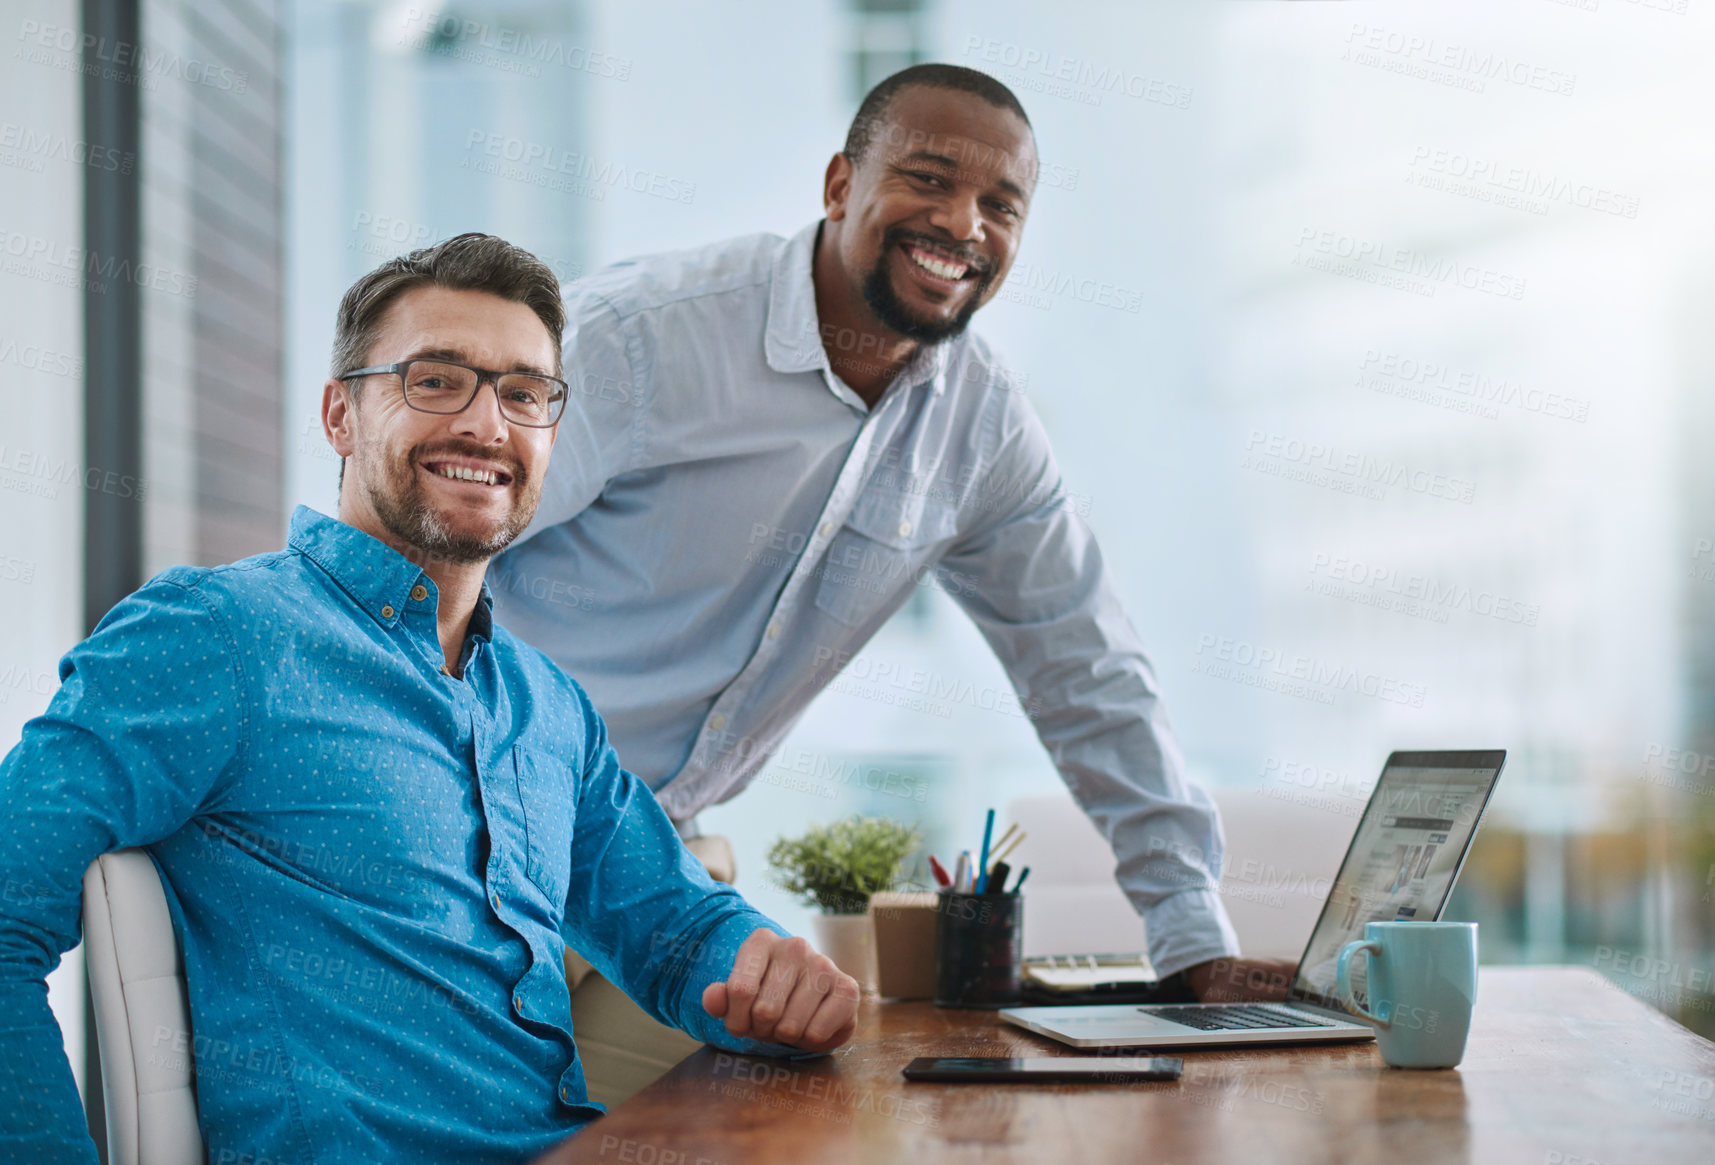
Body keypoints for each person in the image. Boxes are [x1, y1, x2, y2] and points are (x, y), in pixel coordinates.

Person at [489, 63, 1293, 1091]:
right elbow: (420, 563)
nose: (962, 224)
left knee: (762, 1117)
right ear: (838, 186)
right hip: (482, 843)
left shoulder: (980, 427)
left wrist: (1187, 937)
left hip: (662, 870)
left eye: (1000, 206)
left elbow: (1086, 671)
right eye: (927, 180)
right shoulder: (641, 336)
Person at [0, 234, 858, 1165]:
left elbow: (674, 928)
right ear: (340, 415)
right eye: (436, 380)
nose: (488, 426)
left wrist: (770, 970)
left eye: (524, 394)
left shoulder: (546, 705)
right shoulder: (216, 635)